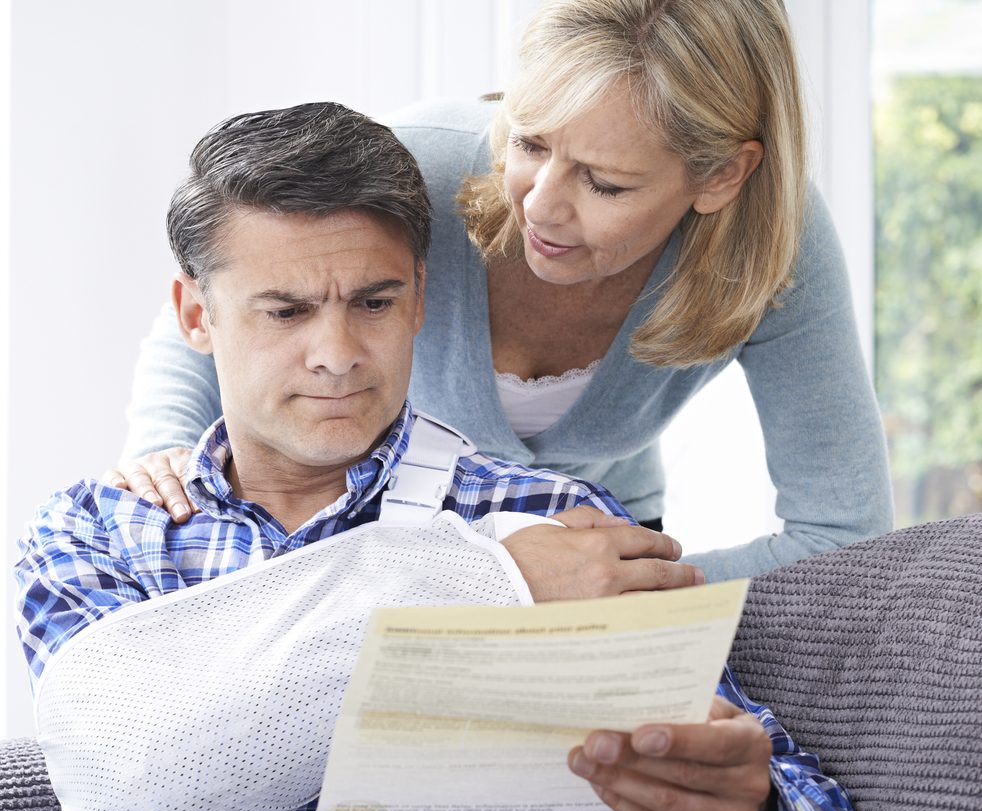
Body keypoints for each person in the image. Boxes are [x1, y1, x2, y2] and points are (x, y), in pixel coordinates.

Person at [14, 102, 853, 811]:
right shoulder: (99, 536)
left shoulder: (564, 523)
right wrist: (491, 583)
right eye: (287, 311)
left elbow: (802, 796)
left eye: (374, 302)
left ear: (419, 298)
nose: (337, 354)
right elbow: (127, 792)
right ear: (197, 315)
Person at [111, 0, 893, 581]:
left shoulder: (776, 249)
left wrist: (628, 592)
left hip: (599, 544)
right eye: (529, 142)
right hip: (381, 536)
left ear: (721, 176)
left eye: (605, 183)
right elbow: (223, 298)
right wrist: (164, 459)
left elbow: (843, 533)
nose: (540, 207)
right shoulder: (419, 167)